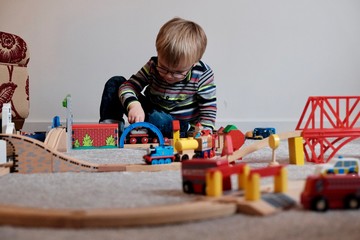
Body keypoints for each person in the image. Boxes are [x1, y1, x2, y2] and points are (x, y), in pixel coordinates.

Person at [99, 17, 217, 138]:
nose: (168, 75)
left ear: (194, 63)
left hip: (176, 126)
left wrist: (204, 133)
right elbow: (129, 86)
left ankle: (177, 129)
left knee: (160, 119)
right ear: (158, 53)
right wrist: (134, 105)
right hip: (150, 113)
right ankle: (111, 131)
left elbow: (208, 111)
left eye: (178, 72)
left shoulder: (203, 74)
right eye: (163, 68)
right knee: (115, 82)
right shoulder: (153, 66)